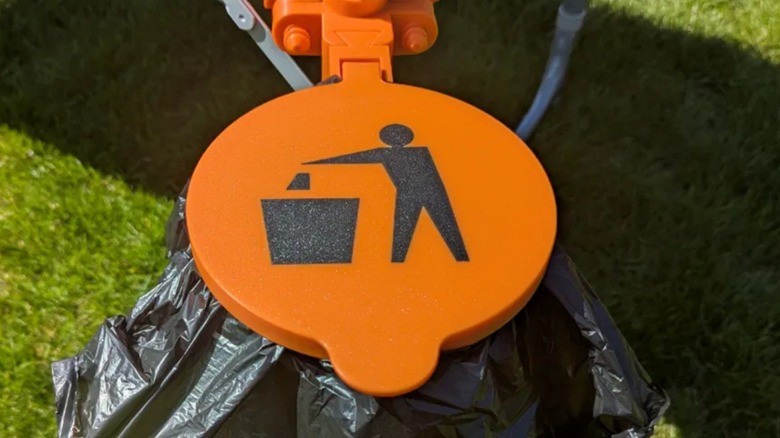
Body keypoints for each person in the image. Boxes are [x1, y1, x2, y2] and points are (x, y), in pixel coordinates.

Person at [306, 124, 469, 262]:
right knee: (404, 232)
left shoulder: (404, 152)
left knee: (437, 227)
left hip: (426, 192)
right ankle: (399, 263)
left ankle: (458, 257)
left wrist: (316, 163)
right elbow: (356, 157)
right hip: (416, 192)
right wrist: (317, 162)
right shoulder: (408, 152)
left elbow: (357, 157)